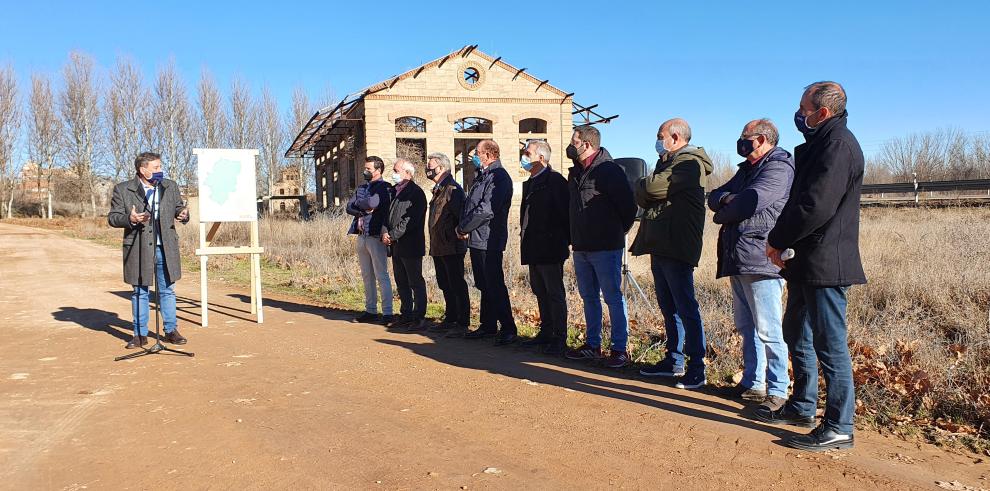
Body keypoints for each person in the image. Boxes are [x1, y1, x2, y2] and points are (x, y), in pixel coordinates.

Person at [755, 81, 866, 452]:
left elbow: (815, 206)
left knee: (829, 343)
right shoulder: (820, 146)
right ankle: (802, 406)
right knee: (796, 333)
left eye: (803, 108)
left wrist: (778, 239)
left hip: (825, 262)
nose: (798, 115)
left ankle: (839, 424)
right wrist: (783, 242)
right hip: (804, 261)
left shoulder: (837, 147)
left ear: (823, 113)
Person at [707, 119, 794, 406]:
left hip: (762, 258)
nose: (741, 141)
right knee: (747, 326)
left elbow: (748, 204)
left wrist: (726, 208)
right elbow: (715, 196)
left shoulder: (778, 168)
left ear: (761, 139)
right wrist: (728, 200)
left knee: (769, 330)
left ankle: (778, 390)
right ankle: (753, 383)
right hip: (739, 256)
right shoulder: (747, 170)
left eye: (745, 137)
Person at [631, 119, 713, 388]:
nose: (657, 140)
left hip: (677, 245)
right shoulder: (666, 162)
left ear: (675, 137)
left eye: (660, 135)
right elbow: (644, 196)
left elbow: (651, 189)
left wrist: (646, 185)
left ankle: (697, 366)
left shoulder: (689, 164)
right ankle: (674, 360)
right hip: (660, 242)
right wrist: (646, 186)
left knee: (686, 307)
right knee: (669, 308)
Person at [563, 125, 637, 368]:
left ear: (586, 144)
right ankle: (593, 345)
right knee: (588, 297)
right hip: (581, 246)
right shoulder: (574, 173)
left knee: (613, 298)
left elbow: (628, 207)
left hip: (605, 247)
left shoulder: (609, 171)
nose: (570, 145)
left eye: (574, 141)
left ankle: (619, 349)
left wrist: (615, 231)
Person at [107, 152, 190, 349]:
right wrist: (131, 219)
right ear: (142, 170)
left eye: (160, 167)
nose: (160, 171)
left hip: (166, 248)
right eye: (156, 168)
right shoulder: (123, 189)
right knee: (140, 291)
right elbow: (113, 218)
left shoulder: (170, 186)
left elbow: (178, 208)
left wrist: (183, 214)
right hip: (138, 247)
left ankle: (171, 331)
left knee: (167, 291)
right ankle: (139, 335)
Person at [456, 139, 517, 345]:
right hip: (477, 238)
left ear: (489, 155)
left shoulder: (499, 177)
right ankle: (488, 325)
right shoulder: (483, 176)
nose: (474, 156)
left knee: (495, 284)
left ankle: (508, 327)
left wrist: (464, 227)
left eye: (477, 152)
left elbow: (486, 209)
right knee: (484, 284)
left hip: (490, 239)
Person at [518, 140, 570, 356]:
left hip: (550, 247)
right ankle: (546, 332)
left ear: (541, 157)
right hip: (532, 246)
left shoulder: (555, 181)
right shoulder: (530, 182)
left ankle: (560, 337)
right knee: (539, 290)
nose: (523, 156)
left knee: (554, 293)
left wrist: (560, 241)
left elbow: (564, 214)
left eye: (527, 153)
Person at [424, 152, 470, 337]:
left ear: (441, 168)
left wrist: (457, 234)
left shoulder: (452, 189)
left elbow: (461, 217)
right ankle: (451, 317)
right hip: (439, 246)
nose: (428, 168)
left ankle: (462, 321)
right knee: (445, 283)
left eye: (431, 165)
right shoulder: (438, 189)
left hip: (452, 245)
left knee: (456, 283)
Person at [346, 156, 394, 324]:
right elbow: (349, 207)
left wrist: (363, 204)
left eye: (368, 169)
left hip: (375, 235)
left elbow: (374, 201)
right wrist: (365, 207)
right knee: (367, 275)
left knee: (382, 275)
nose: (365, 171)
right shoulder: (361, 187)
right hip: (361, 235)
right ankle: (371, 310)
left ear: (378, 170)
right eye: (365, 168)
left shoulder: (384, 187)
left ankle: (388, 313)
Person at [383, 158, 428, 331]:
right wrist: (385, 232)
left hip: (411, 244)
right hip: (395, 245)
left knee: (415, 281)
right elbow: (387, 215)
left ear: (408, 173)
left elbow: (411, 220)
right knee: (401, 281)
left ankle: (419, 316)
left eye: (396, 171)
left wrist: (392, 235)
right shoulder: (394, 191)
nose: (393, 174)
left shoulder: (416, 193)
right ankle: (406, 314)